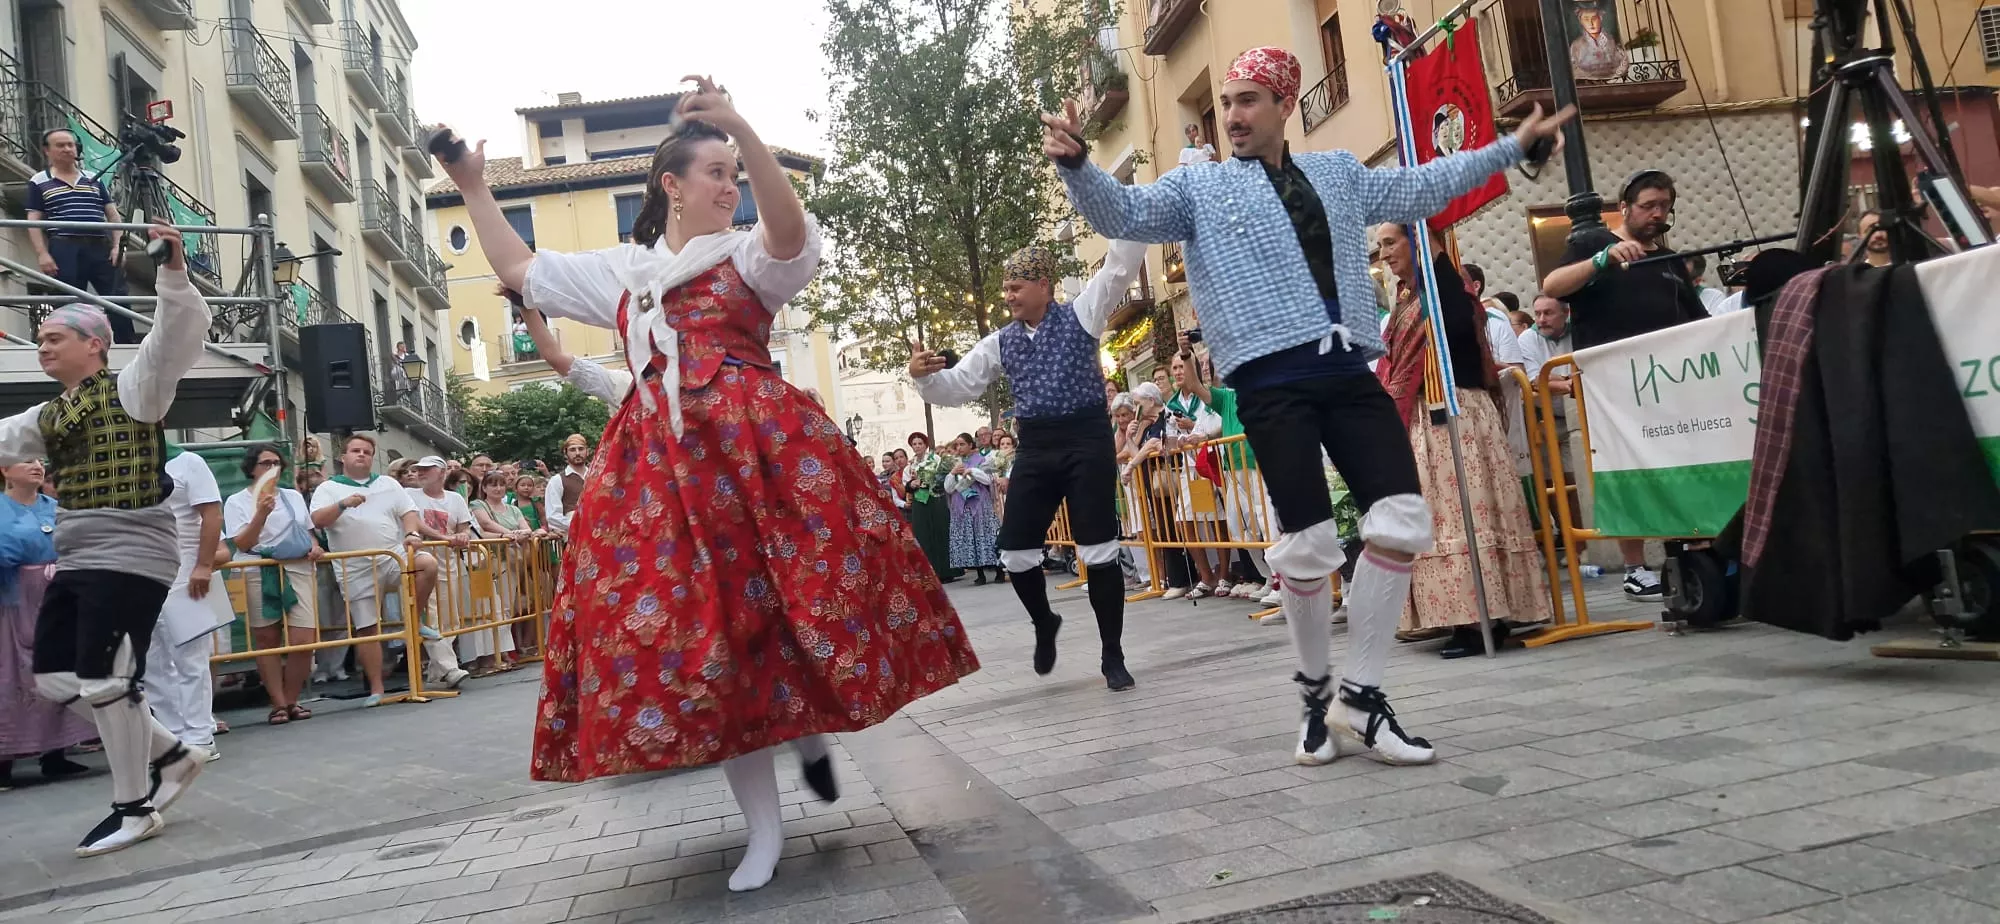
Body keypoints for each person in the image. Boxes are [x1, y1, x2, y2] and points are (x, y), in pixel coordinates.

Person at [434, 75, 979, 893]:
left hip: (756, 465)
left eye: (735, 171)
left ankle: (805, 740)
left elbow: (790, 233)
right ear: (671, 186)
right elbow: (518, 264)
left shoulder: (749, 255)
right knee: (707, 639)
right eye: (716, 172)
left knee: (784, 612)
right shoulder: (626, 271)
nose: (731, 186)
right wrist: (474, 187)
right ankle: (765, 825)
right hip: (661, 481)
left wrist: (743, 128)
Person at [1044, 45, 1572, 766]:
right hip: (1268, 380)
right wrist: (1077, 166)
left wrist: (1511, 147)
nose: (1231, 113)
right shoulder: (1195, 190)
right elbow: (1124, 209)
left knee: (1404, 518)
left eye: (1247, 99)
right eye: (1226, 101)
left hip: (1349, 366)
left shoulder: (1338, 172)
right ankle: (1315, 695)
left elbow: (1421, 187)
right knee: (1312, 544)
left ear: (1285, 105)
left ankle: (1361, 692)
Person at [0, 221, 212, 856]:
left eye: (53, 337)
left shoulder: (135, 386)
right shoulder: (48, 415)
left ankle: (134, 806)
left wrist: (172, 269)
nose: (42, 347)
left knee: (103, 679)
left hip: (129, 553)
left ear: (95, 344)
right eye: (39, 338)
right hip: (81, 555)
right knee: (57, 678)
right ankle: (173, 753)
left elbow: (176, 335)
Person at [910, 240, 1145, 690]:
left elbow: (1120, 265)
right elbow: (958, 386)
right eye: (1005, 289)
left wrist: (1127, 215)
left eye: (1016, 287)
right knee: (1016, 553)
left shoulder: (1083, 312)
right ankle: (1044, 621)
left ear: (1044, 286)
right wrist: (922, 377)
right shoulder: (1001, 342)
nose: (1009, 296)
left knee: (1098, 550)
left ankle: (1112, 653)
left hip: (1086, 441)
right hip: (1036, 446)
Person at [1376, 224, 1552, 657]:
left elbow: (1455, 332)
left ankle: (1481, 619)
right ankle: (1458, 614)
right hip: (1425, 416)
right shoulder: (1405, 300)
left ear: (1418, 242)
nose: (1382, 254)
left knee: (1464, 515)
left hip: (1455, 414)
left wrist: (1430, 237)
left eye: (1389, 243)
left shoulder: (1445, 291)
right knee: (1439, 518)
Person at [1540, 169, 1706, 598]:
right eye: (1649, 205)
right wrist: (1601, 261)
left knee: (1679, 466)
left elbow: (1698, 320)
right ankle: (1635, 568)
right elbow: (1552, 286)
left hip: (1669, 382)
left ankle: (1690, 550)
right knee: (1624, 469)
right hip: (1612, 384)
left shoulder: (1670, 260)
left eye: (1664, 206)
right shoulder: (1594, 242)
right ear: (1626, 207)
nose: (1657, 213)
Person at [310, 434, 443, 706]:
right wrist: (342, 504)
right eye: (356, 451)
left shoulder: (388, 483)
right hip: (354, 564)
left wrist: (412, 534)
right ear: (343, 457)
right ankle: (377, 690)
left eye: (367, 452)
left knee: (427, 564)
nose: (362, 455)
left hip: (389, 554)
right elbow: (317, 520)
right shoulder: (328, 488)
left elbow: (408, 513)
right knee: (367, 628)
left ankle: (413, 620)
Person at [0, 460, 93, 791]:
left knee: (59, 666)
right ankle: (3, 760)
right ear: (4, 469)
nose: (36, 466)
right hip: (12, 601)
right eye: (25, 460)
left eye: (39, 460)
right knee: (12, 675)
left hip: (59, 595)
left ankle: (56, 753)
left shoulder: (56, 507)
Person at [225, 445, 329, 723]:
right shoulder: (236, 501)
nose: (272, 468)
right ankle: (279, 704)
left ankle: (292, 699)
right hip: (258, 568)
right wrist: (260, 513)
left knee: (303, 639)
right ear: (252, 468)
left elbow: (307, 534)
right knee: (267, 639)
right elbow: (243, 543)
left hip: (297, 566)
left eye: (276, 463)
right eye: (265, 463)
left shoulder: (293, 496)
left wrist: (315, 547)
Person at [144, 448, 229, 757]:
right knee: (151, 662)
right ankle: (172, 737)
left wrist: (204, 565)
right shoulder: (124, 460)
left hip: (185, 575)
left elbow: (212, 514)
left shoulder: (188, 462)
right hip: (141, 574)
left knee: (190, 659)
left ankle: (199, 736)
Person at [24, 130, 130, 343]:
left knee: (118, 298)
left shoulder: (92, 178)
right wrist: (42, 254)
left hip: (100, 245)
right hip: (64, 247)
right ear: (47, 150)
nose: (67, 149)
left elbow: (112, 214)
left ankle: (126, 345)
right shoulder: (39, 180)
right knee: (68, 303)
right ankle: (71, 347)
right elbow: (33, 221)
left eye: (70, 145)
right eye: (60, 145)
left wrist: (118, 245)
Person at [404, 456, 476, 688]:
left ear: (442, 472)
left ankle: (437, 671)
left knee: (450, 617)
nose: (421, 473)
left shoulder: (455, 498)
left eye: (427, 469)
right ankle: (449, 667)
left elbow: (464, 526)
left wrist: (462, 535)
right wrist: (445, 537)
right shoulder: (409, 495)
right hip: (422, 562)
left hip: (449, 561)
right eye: (419, 469)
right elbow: (414, 522)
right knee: (431, 614)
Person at [943, 434, 1002, 585]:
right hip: (961, 504)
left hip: (980, 503)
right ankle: (979, 573)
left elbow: (988, 479)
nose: (959, 448)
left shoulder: (982, 459)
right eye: (956, 445)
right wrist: (952, 473)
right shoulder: (953, 463)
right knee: (970, 538)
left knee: (986, 535)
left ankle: (999, 570)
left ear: (970, 445)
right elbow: (948, 488)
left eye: (962, 444)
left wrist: (972, 471)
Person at [903, 432, 960, 583]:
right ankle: (929, 573)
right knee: (923, 535)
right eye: (914, 444)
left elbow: (943, 476)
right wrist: (912, 484)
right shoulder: (910, 464)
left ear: (925, 445)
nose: (917, 447)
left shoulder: (935, 459)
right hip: (920, 502)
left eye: (920, 443)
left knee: (940, 532)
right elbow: (906, 485)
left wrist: (931, 482)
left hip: (935, 499)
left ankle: (946, 571)